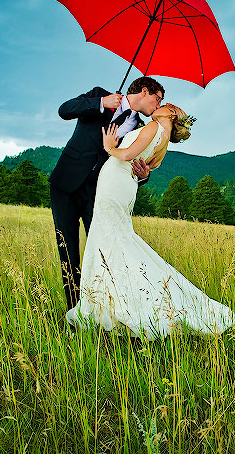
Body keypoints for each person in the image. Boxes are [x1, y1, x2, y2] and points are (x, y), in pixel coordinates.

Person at [66, 104, 235, 337]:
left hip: (116, 180)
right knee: (116, 240)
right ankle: (110, 305)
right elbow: (146, 168)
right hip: (125, 184)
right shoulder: (163, 140)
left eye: (164, 104)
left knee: (107, 240)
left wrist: (109, 148)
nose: (160, 105)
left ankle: (114, 307)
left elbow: (126, 155)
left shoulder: (155, 126)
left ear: (171, 113)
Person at [49, 76, 165, 311]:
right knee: (68, 252)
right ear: (144, 91)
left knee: (102, 253)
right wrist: (101, 102)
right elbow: (64, 110)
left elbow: (132, 166)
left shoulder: (142, 129)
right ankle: (75, 312)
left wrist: (143, 176)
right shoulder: (98, 94)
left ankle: (101, 310)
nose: (159, 105)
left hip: (100, 196)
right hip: (66, 185)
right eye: (157, 98)